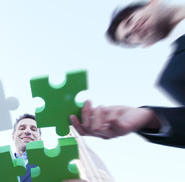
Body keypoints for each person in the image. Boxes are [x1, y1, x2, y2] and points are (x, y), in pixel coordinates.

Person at [71, 0, 185, 148]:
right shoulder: (174, 78)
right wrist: (150, 118)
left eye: (129, 21)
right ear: (147, 44)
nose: (133, 29)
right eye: (129, 37)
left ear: (152, 3)